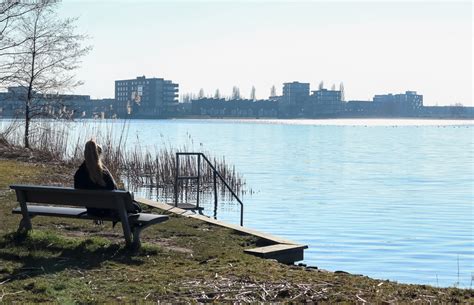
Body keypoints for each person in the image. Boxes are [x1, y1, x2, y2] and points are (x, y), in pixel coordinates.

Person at [74, 139, 118, 218]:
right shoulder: (104, 173)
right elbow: (114, 188)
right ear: (98, 155)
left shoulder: (79, 173)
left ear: (85, 154)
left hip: (92, 210)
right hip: (106, 211)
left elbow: (77, 188)